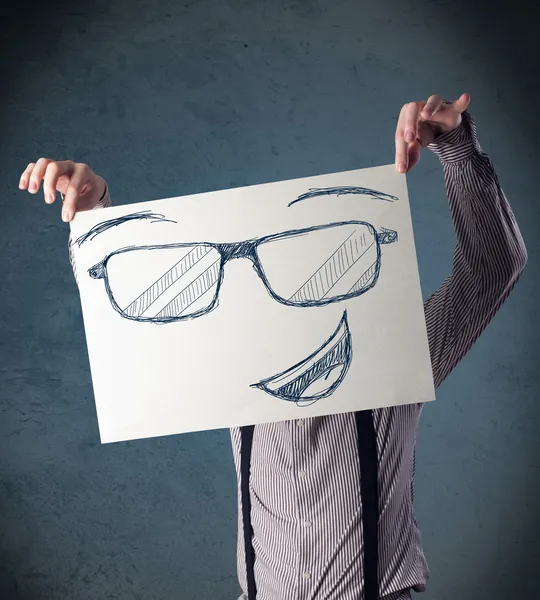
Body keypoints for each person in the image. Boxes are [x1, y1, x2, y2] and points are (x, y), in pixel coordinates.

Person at [19, 93, 527, 600]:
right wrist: (92, 213)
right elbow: (129, 318)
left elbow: (492, 268)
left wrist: (456, 148)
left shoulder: (397, 349)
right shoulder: (225, 357)